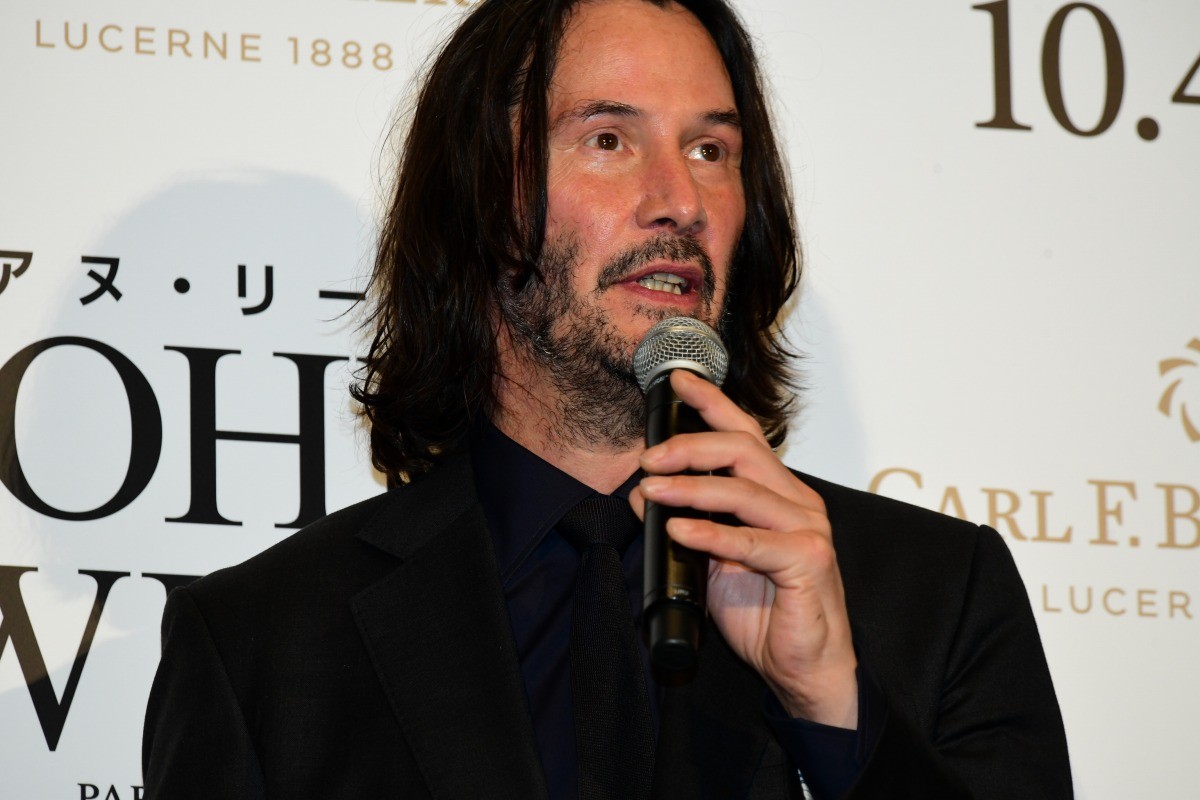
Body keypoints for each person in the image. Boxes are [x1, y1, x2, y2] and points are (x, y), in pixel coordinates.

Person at [142, 0, 1072, 797]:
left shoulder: (937, 592)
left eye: (711, 149)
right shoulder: (265, 642)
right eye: (609, 140)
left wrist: (834, 707)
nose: (681, 200)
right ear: (482, 198)